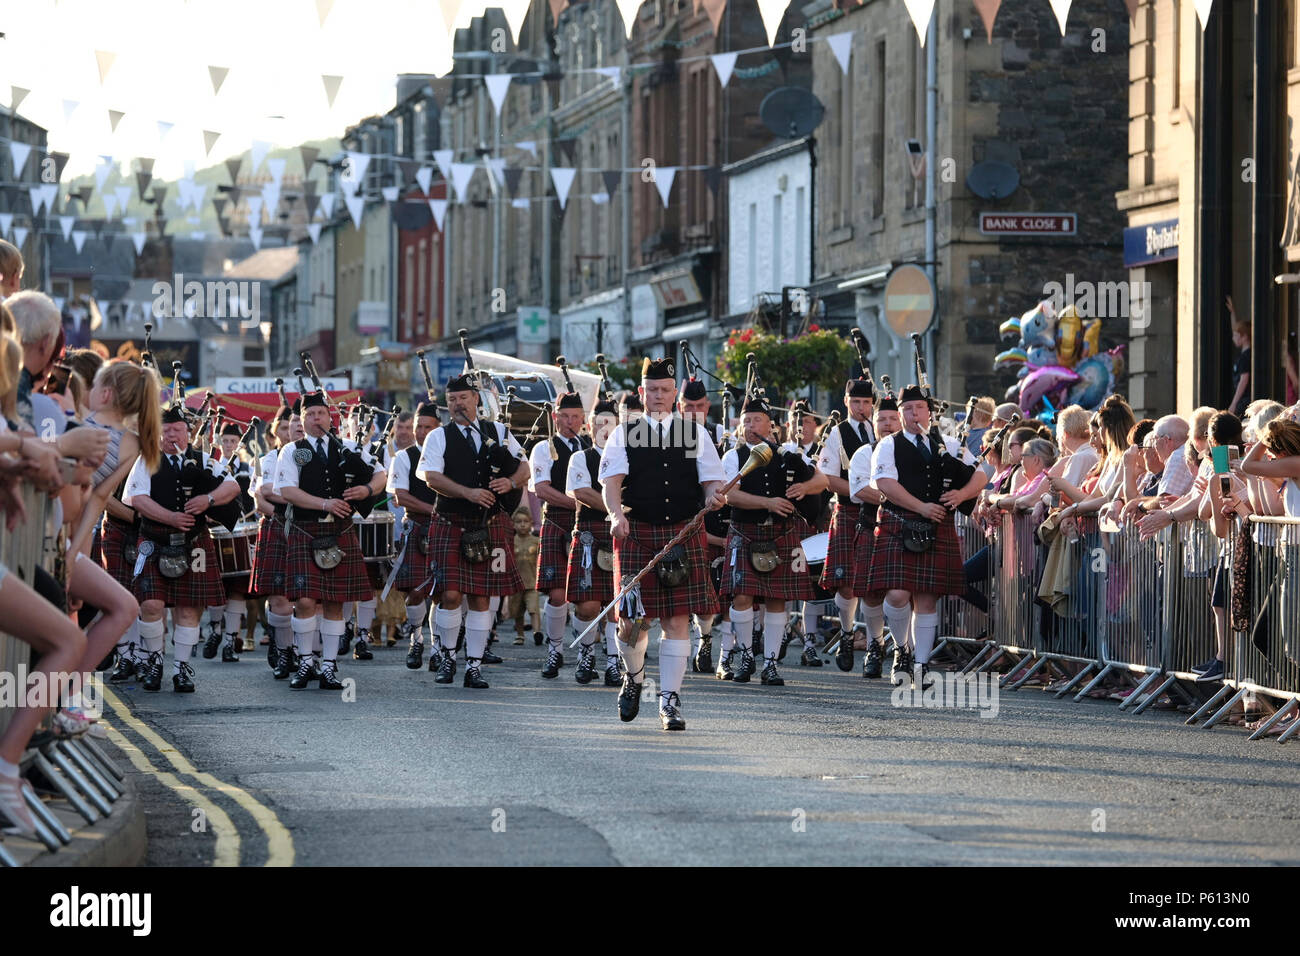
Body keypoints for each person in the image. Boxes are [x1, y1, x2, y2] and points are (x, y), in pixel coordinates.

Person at [598, 357, 726, 731]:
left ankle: (670, 701)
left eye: (665, 391)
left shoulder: (695, 432)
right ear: (642, 393)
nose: (658, 396)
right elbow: (611, 483)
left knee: (675, 619)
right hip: (637, 531)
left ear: (675, 395)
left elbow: (712, 482)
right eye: (651, 390)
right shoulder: (625, 432)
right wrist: (615, 514)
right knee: (633, 623)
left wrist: (714, 496)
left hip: (683, 532)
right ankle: (634, 678)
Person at [868, 383, 984, 684]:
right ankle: (902, 650)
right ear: (900, 413)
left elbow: (982, 474)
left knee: (927, 598)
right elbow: (884, 483)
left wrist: (960, 495)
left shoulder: (945, 443)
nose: (913, 413)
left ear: (929, 412)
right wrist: (921, 507)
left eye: (918, 407)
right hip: (901, 521)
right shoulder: (889, 445)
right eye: (907, 408)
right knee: (897, 594)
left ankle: (920, 665)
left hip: (936, 526)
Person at [122, 399, 241, 693]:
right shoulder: (147, 459)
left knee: (189, 609)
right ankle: (155, 662)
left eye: (177, 430)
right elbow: (138, 499)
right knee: (150, 605)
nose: (172, 436)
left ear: (188, 432)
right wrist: (171, 517)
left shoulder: (203, 460)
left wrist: (208, 500)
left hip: (194, 543)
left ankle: (181, 669)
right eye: (166, 431)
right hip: (154, 539)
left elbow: (233, 486)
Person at [417, 373, 528, 689]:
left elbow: (524, 467)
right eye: (451, 400)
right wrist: (467, 493)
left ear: (476, 400)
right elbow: (430, 477)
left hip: (488, 525)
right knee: (450, 594)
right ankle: (448, 657)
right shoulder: (439, 437)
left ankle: (474, 666)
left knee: (482, 597)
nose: (456, 404)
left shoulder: (499, 432)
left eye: (462, 398)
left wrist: (510, 482)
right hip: (451, 523)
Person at [274, 390, 387, 690]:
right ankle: (305, 662)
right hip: (305, 529)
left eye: (320, 413)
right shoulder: (292, 451)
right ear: (301, 419)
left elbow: (380, 475)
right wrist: (324, 504)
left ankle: (329, 667)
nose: (315, 419)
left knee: (336, 602)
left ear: (330, 416)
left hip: (339, 532)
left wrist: (366, 491)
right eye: (308, 415)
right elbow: (287, 491)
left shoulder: (348, 447)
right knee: (306, 600)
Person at [719, 392, 825, 687]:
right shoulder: (733, 456)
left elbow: (823, 481)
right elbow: (729, 494)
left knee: (778, 599)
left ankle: (770, 664)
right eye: (746, 420)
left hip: (780, 534)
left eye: (757, 420)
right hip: (745, 532)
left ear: (770, 425)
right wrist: (768, 503)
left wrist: (804, 488)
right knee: (742, 598)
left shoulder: (787, 456)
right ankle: (746, 655)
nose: (751, 425)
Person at [816, 373, 877, 663]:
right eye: (856, 401)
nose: (861, 407)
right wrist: (858, 493)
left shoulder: (882, 432)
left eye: (866, 402)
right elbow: (828, 478)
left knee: (877, 582)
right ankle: (848, 631)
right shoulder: (838, 433)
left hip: (882, 511)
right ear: (846, 402)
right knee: (848, 582)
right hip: (850, 510)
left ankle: (876, 642)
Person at [529, 390, 589, 678]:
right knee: (557, 593)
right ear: (555, 417)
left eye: (576, 417)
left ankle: (585, 653)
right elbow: (541, 490)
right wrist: (578, 502)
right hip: (558, 521)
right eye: (565, 416)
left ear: (583, 419)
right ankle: (555, 650)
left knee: (589, 593)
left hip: (589, 523)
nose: (570, 422)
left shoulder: (590, 446)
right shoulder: (544, 448)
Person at [564, 398, 622, 686]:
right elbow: (582, 493)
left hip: (620, 535)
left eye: (610, 424)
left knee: (616, 605)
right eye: (599, 424)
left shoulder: (628, 459)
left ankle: (613, 662)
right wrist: (618, 511)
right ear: (591, 426)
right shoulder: (580, 458)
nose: (605, 429)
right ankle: (586, 654)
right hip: (589, 534)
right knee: (587, 606)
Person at [848, 382, 903, 677]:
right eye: (882, 419)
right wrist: (900, 496)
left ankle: (902, 649)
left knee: (902, 593)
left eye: (893, 418)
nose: (887, 424)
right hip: (874, 526)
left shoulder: (915, 452)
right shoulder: (863, 452)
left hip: (906, 532)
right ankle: (874, 644)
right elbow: (859, 490)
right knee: (870, 594)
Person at [391, 402, 441, 668]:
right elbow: (402, 496)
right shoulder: (404, 457)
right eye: (417, 427)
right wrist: (435, 509)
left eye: (426, 427)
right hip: (418, 527)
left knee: (444, 592)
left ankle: (437, 649)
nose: (420, 432)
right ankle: (416, 639)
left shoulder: (446, 453)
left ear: (437, 429)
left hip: (444, 527)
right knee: (415, 591)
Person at [202, 420, 255, 659]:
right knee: (216, 587)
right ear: (219, 442)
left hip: (239, 530)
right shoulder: (211, 465)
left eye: (234, 441)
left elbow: (253, 495)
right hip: (215, 530)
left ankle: (229, 642)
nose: (230, 445)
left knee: (237, 590)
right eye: (225, 441)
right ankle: (215, 630)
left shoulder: (247, 467)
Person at [507, 506, 541, 645]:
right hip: (515, 584)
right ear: (513, 524)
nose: (522, 524)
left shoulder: (536, 541)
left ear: (531, 523)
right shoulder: (510, 542)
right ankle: (520, 635)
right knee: (517, 611)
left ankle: (537, 632)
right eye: (519, 521)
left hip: (532, 582)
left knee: (533, 608)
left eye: (525, 521)